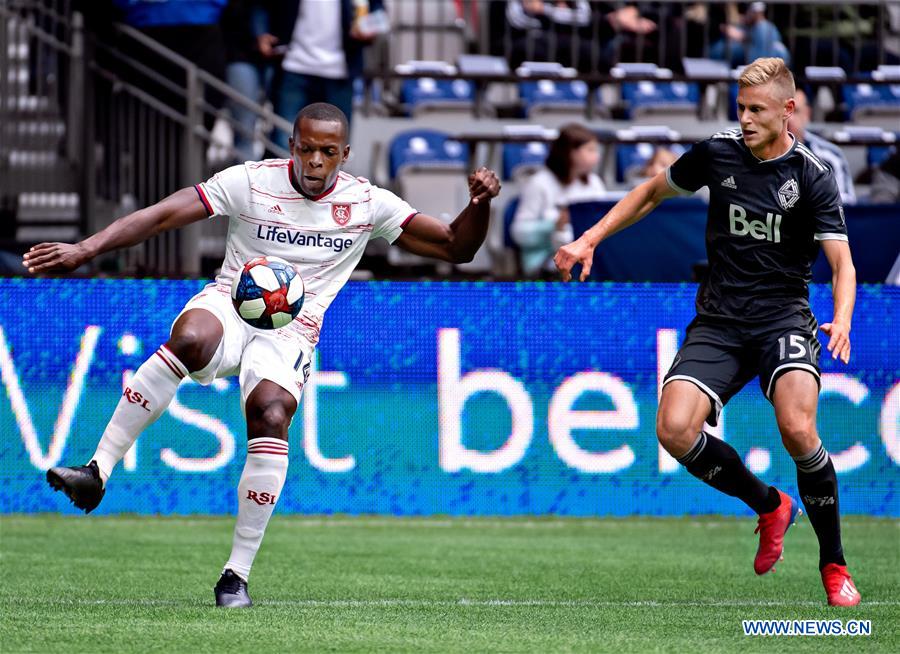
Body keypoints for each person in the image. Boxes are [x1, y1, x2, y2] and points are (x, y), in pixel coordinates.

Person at [26, 103, 500, 608]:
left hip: (292, 331)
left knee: (272, 414)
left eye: (328, 152)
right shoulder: (249, 182)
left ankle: (235, 575)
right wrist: (85, 249)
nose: (316, 161)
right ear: (291, 146)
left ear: (345, 154)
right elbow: (163, 214)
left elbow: (455, 247)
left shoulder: (367, 203)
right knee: (189, 338)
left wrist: (479, 205)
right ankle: (97, 472)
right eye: (307, 148)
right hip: (232, 303)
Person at [555, 58, 860, 607]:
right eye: (740, 107)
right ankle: (769, 505)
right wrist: (589, 239)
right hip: (719, 321)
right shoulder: (718, 152)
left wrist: (842, 316)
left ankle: (834, 564)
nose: (744, 118)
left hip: (783, 319)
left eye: (756, 110)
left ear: (788, 111)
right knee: (673, 430)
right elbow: (650, 193)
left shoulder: (812, 176)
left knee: (796, 427)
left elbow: (843, 262)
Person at [266, 0, 385, 149]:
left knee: (335, 145)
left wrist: (370, 28)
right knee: (284, 140)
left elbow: (379, 13)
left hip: (339, 71)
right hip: (295, 64)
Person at [511, 123, 605, 278]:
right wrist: (554, 225)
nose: (597, 156)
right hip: (545, 260)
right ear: (570, 153)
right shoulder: (539, 183)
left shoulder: (594, 182)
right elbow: (519, 233)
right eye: (590, 150)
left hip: (588, 256)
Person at [787, 89, 857, 204]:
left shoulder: (831, 158)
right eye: (784, 112)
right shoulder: (757, 154)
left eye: (795, 111)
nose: (789, 119)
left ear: (807, 114)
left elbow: (846, 206)